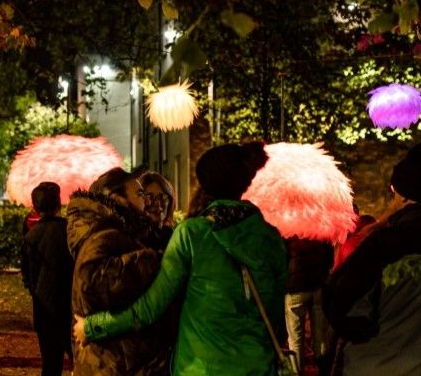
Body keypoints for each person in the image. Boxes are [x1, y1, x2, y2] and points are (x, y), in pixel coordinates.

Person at [74, 142, 288, 376]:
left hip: (199, 367)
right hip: (258, 365)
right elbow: (275, 313)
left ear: (205, 183)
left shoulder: (191, 234)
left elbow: (149, 308)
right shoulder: (271, 237)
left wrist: (93, 327)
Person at [324, 144, 421, 376]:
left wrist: (365, 331)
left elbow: (338, 302)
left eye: (393, 190)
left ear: (404, 197)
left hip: (370, 366)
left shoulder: (382, 245)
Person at [66, 167, 172, 376]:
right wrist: (155, 259)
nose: (149, 202)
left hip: (115, 361)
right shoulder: (106, 234)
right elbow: (93, 282)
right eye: (141, 194)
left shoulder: (117, 232)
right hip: (112, 364)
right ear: (117, 197)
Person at [21, 182, 73, 376]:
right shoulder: (69, 232)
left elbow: (26, 277)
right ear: (59, 204)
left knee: (51, 365)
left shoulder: (30, 237)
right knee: (80, 361)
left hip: (43, 312)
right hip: (69, 309)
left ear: (35, 206)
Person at [284, 236, 333, 374]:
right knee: (320, 334)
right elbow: (329, 260)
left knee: (295, 338)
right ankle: (324, 370)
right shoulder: (321, 226)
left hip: (294, 287)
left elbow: (282, 257)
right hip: (317, 285)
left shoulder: (288, 226)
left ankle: (297, 372)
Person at [138, 171, 176, 251]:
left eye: (162, 196)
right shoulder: (136, 241)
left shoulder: (171, 236)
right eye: (150, 197)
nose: (157, 203)